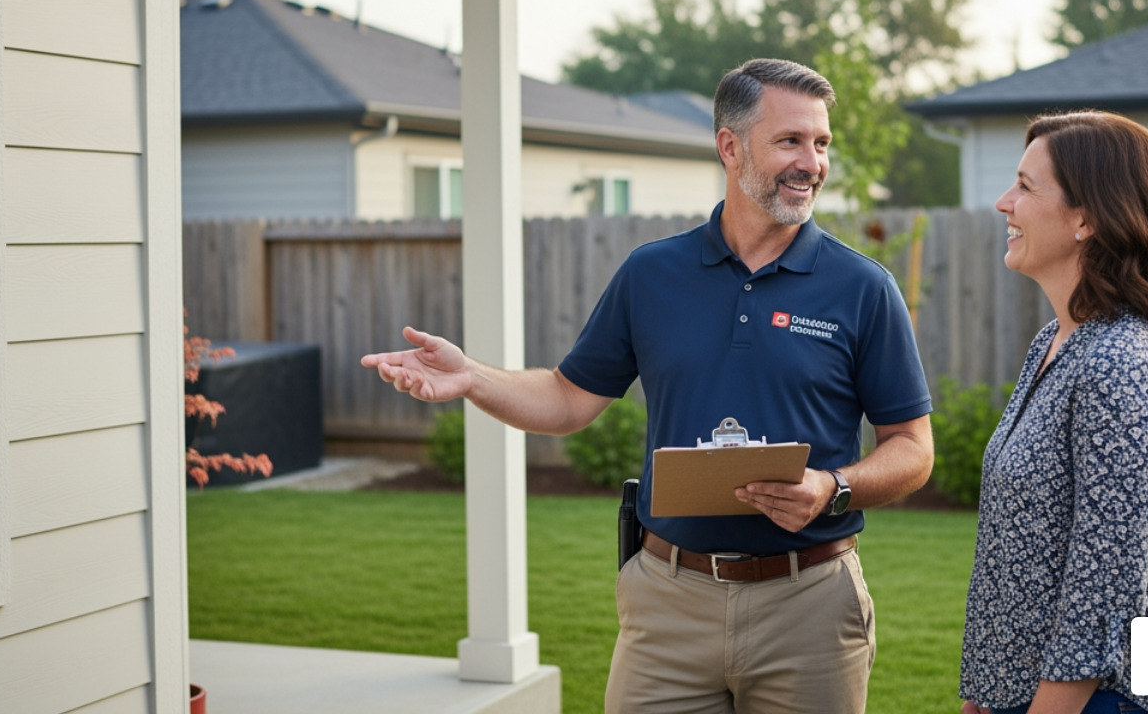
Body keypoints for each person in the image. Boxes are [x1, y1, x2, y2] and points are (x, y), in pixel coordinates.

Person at [363, 58, 934, 714]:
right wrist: (473, 378)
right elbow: (568, 397)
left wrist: (832, 489)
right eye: (790, 141)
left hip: (809, 606)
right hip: (668, 602)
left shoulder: (864, 288)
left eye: (821, 143)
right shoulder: (652, 274)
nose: (812, 162)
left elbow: (913, 449)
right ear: (729, 145)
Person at [958, 111, 1148, 714]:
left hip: (1095, 702)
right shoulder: (1058, 341)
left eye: (1025, 186)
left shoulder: (1120, 365)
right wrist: (986, 696)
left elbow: (1104, 589)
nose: (1002, 202)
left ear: (1087, 218)